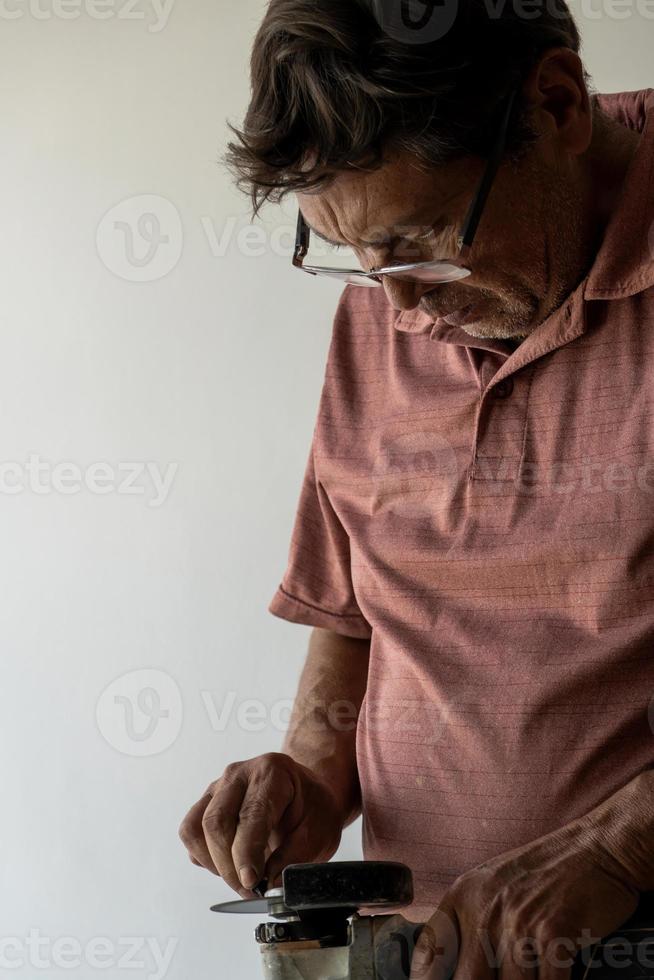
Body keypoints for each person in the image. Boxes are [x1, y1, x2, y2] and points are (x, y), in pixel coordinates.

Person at [179, 0, 654, 974]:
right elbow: (357, 605)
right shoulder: (394, 290)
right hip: (417, 937)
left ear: (557, 105)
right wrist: (311, 775)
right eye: (350, 254)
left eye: (420, 239)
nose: (394, 304)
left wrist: (620, 842)